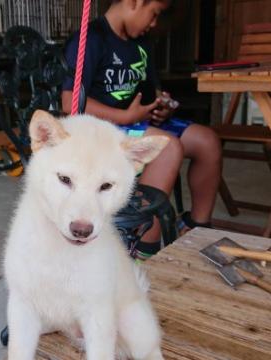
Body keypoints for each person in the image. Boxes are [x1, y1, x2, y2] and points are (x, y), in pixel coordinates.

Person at [62, 0, 222, 261]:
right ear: (134, 2)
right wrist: (126, 115)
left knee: (207, 141)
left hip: (138, 123)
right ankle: (142, 247)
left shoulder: (141, 43)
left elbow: (150, 90)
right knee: (167, 147)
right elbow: (70, 103)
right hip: (106, 129)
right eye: (154, 13)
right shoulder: (91, 39)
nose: (154, 23)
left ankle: (195, 227)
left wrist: (163, 105)